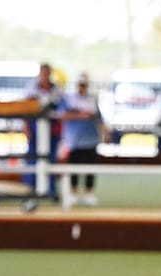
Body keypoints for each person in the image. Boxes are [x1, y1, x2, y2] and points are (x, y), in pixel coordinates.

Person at [58, 73, 104, 207]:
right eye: (80, 85)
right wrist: (80, 115)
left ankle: (89, 194)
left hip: (91, 139)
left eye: (84, 85)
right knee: (74, 167)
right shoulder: (69, 100)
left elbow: (99, 118)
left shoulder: (92, 100)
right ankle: (73, 193)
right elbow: (62, 115)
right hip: (74, 140)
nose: (82, 87)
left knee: (90, 167)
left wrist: (104, 132)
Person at [23, 62, 62, 199]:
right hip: (35, 125)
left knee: (50, 158)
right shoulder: (32, 88)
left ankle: (50, 190)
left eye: (47, 73)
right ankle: (29, 189)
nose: (45, 76)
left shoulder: (56, 89)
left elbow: (60, 110)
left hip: (51, 126)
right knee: (32, 157)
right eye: (43, 73)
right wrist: (26, 127)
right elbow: (26, 109)